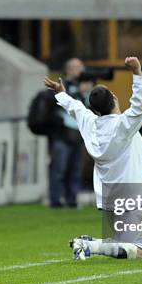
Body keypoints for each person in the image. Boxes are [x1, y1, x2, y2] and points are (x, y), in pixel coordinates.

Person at [44, 57, 142, 260]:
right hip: (134, 196)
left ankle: (92, 244)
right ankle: (89, 245)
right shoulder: (124, 126)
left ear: (94, 109)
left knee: (124, 245)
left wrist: (61, 93)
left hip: (110, 197)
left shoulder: (91, 124)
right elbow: (140, 107)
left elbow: (76, 108)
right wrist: (137, 74)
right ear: (114, 98)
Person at [47, 57, 86, 208]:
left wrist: (86, 92)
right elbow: (55, 104)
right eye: (77, 67)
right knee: (59, 169)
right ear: (69, 69)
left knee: (75, 170)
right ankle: (55, 200)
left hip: (79, 134)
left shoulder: (85, 85)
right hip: (62, 135)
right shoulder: (61, 85)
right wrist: (77, 92)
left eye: (81, 67)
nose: (80, 71)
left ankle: (72, 199)